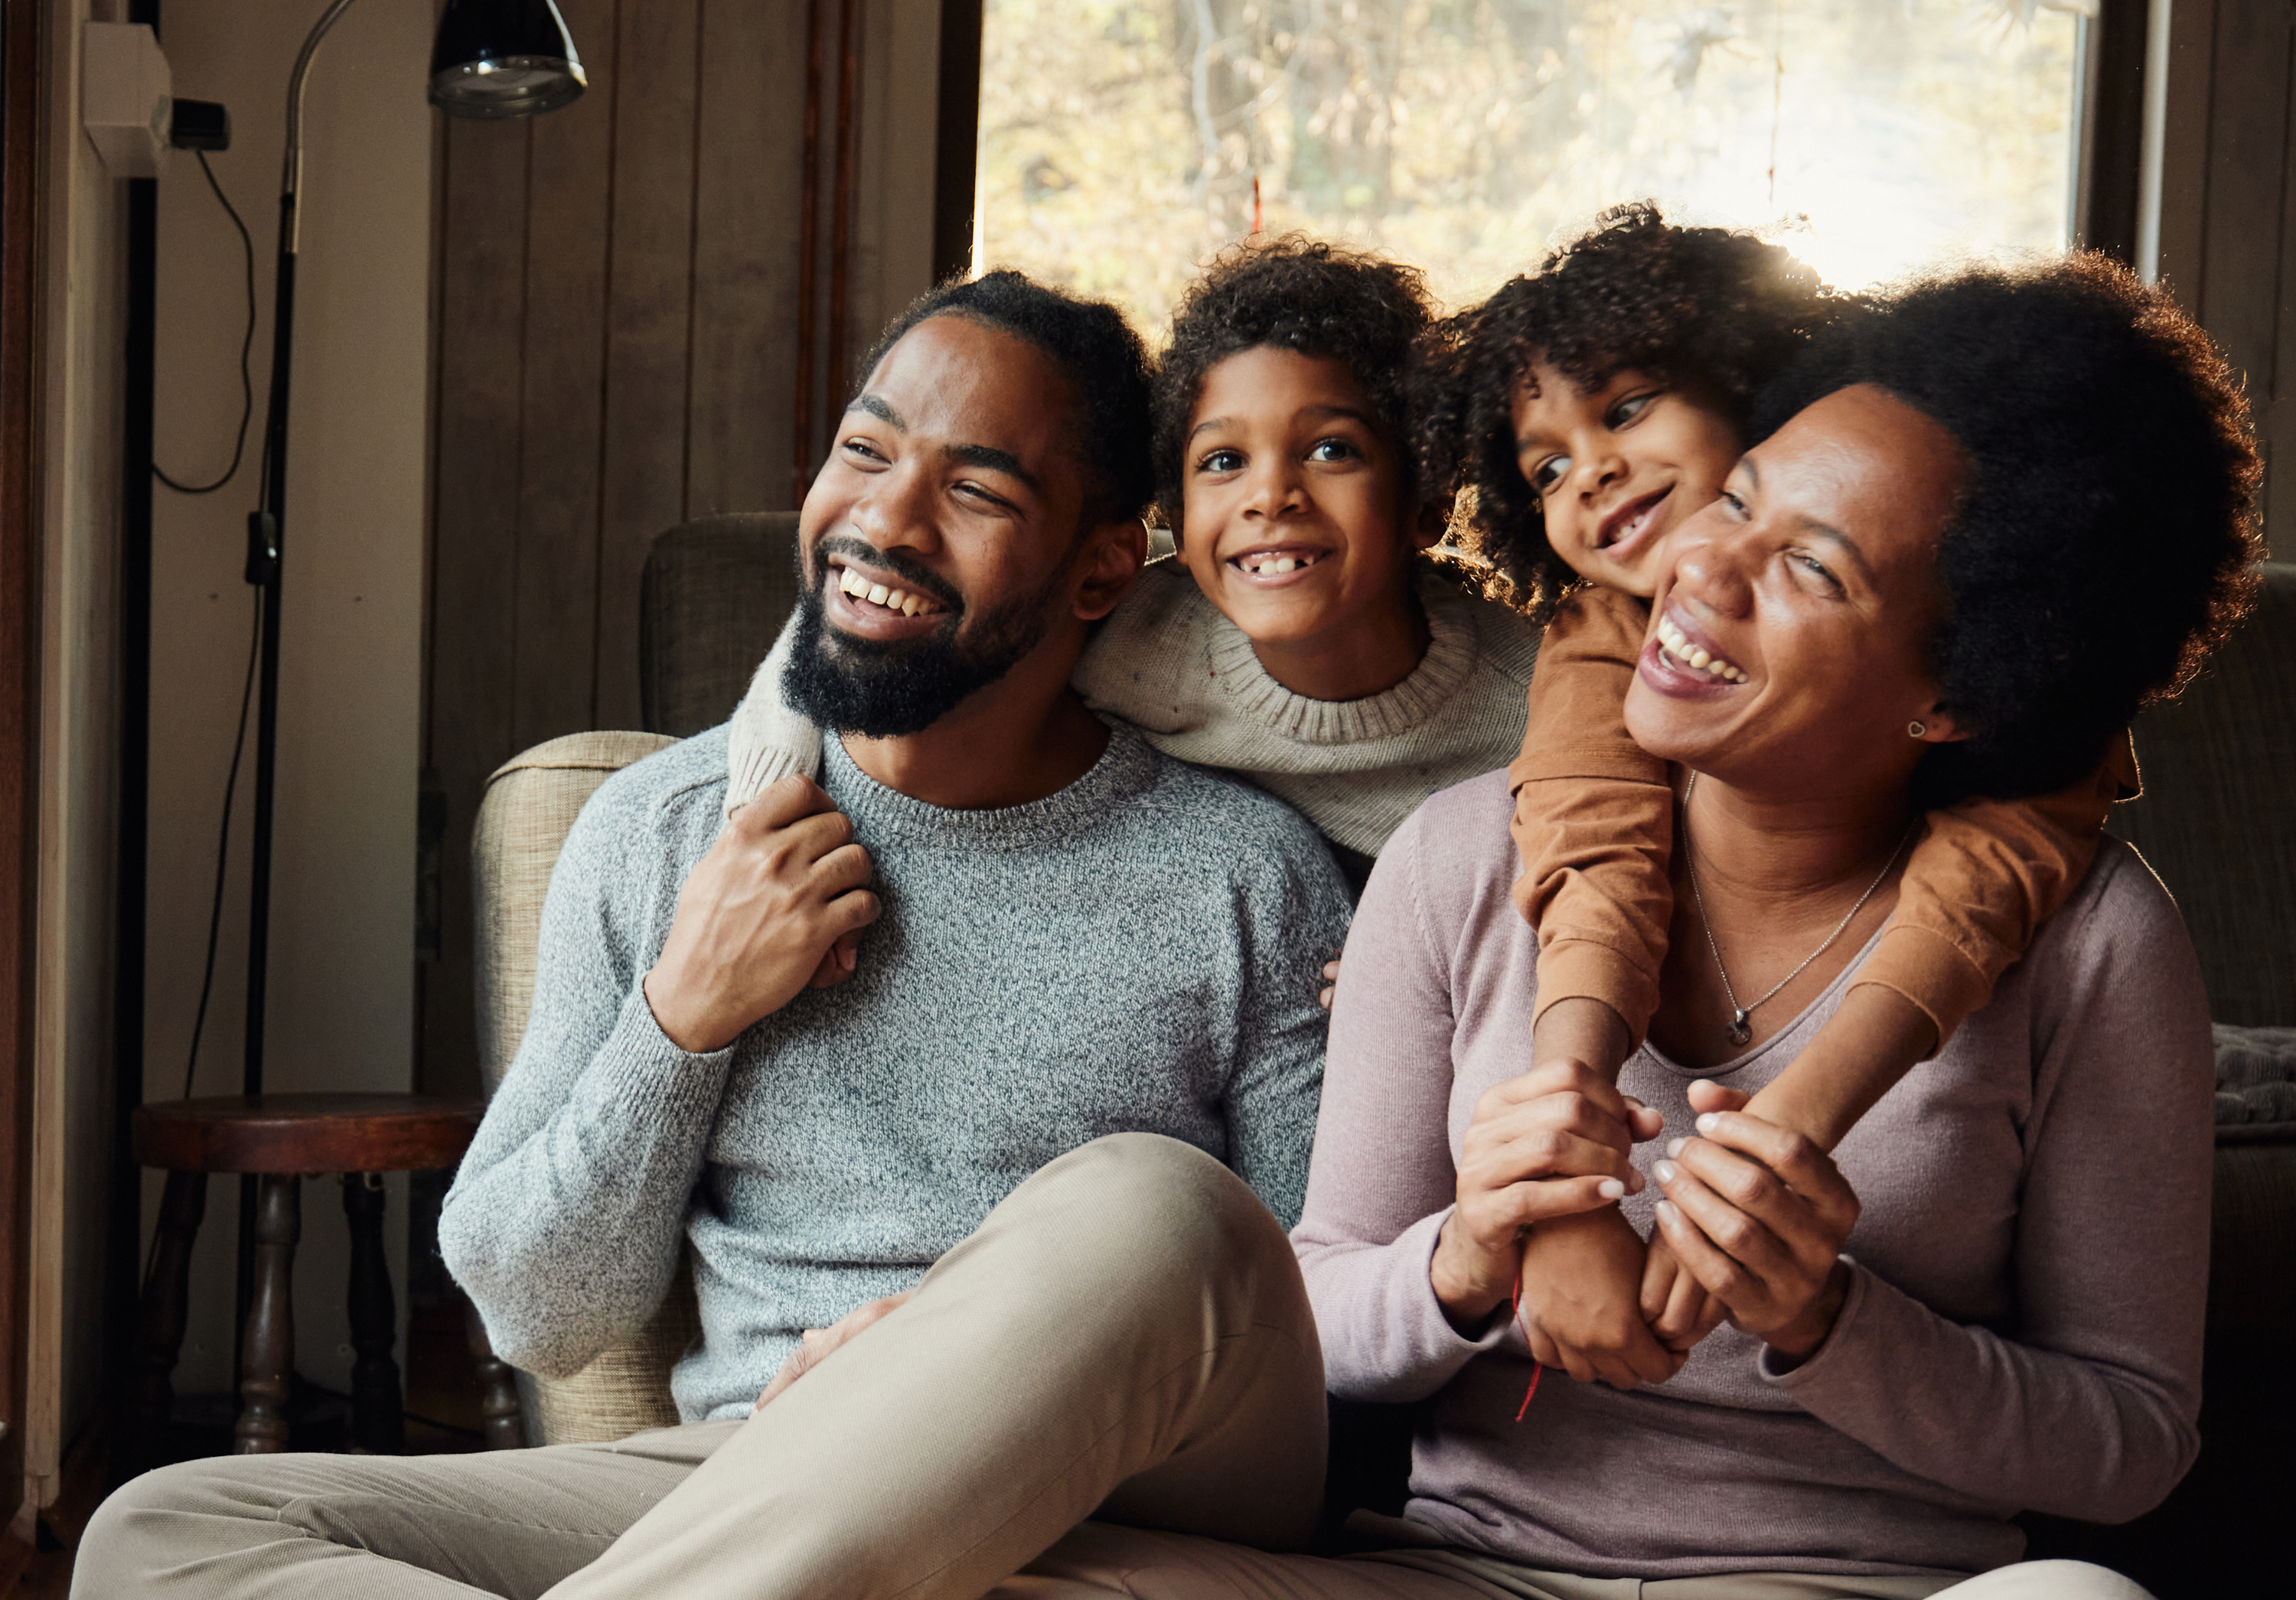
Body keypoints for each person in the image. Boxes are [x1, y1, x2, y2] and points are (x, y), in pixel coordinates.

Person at [73, 271, 1352, 1596]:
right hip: (752, 1476)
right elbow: (536, 1314)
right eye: (863, 451)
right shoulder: (665, 836)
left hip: (1127, 1496)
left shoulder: (1240, 870)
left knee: (1156, 1209)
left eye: (975, 491)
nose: (885, 518)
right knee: (164, 1531)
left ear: (1101, 568)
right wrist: (679, 1017)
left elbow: (1312, 1311)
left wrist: (941, 1361)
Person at [1426, 206, 2145, 1374]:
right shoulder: (1568, 682)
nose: (1593, 472)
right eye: (1545, 466)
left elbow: (2000, 864)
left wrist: (1801, 1159)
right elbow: (1590, 840)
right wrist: (1541, 1188)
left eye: (1625, 409)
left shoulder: (2068, 843)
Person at [726, 236, 1541, 895]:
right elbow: (864, 616)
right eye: (1222, 460)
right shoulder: (1140, 631)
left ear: (1427, 500)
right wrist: (758, 809)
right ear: (1179, 528)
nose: (1271, 496)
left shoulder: (1535, 706)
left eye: (1332, 450)